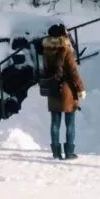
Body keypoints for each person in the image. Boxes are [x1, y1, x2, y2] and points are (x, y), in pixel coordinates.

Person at [41, 23, 85, 160]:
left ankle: (55, 152)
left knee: (55, 122)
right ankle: (69, 151)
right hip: (67, 90)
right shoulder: (66, 49)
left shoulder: (46, 50)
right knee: (70, 122)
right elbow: (73, 71)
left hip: (53, 89)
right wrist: (81, 88)